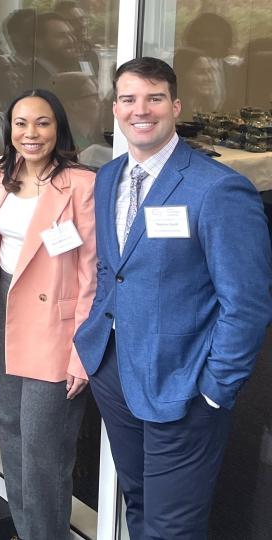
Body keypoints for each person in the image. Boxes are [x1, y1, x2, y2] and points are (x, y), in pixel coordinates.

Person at [74, 57, 272, 539]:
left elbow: (246, 303)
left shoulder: (219, 188)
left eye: (154, 98)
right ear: (116, 108)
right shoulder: (108, 176)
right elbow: (111, 269)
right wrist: (94, 344)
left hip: (183, 384)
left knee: (172, 526)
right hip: (113, 369)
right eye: (128, 99)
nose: (141, 110)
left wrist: (214, 388)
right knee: (137, 501)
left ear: (176, 106)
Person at [0, 89, 96, 540]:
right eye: (21, 123)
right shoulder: (3, 172)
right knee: (10, 430)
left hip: (55, 326)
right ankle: (28, 531)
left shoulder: (81, 183)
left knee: (45, 450)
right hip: (7, 307)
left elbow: (92, 275)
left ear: (58, 128)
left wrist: (81, 354)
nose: (31, 133)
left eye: (42, 123)